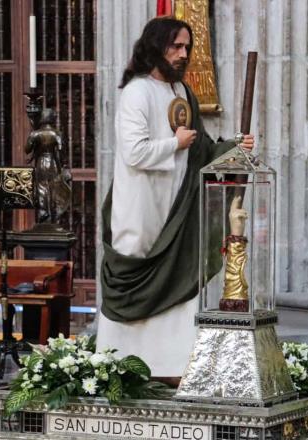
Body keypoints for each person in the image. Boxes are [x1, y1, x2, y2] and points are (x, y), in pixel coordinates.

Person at [96, 17, 254, 378]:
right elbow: (134, 153)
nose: (183, 54)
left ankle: (171, 366)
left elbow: (200, 151)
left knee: (178, 276)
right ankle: (118, 363)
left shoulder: (183, 92)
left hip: (178, 207)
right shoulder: (136, 92)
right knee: (136, 272)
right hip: (140, 207)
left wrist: (234, 147)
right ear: (155, 47)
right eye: (175, 46)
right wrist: (175, 143)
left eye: (186, 47)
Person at [25, 108, 72, 226]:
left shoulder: (36, 133)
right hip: (53, 163)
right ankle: (53, 214)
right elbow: (62, 150)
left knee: (41, 188)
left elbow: (27, 149)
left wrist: (33, 138)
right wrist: (64, 164)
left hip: (41, 163)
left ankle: (43, 213)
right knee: (54, 188)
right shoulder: (57, 133)